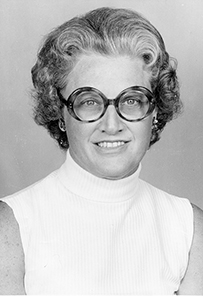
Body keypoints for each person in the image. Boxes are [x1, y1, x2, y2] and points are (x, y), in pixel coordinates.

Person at [0, 7, 202, 295]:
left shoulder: (189, 228)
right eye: (89, 101)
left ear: (155, 112)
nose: (111, 124)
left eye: (132, 100)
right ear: (60, 111)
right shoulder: (11, 227)